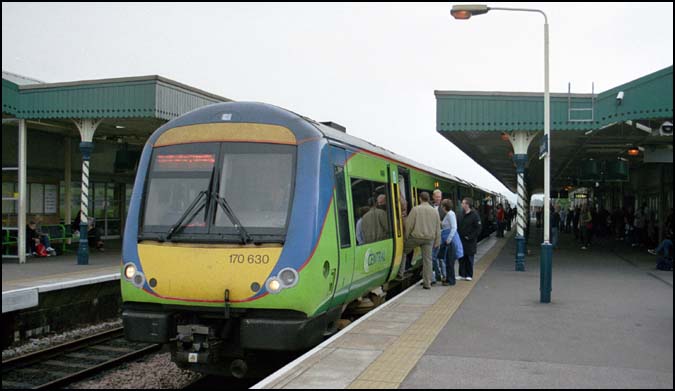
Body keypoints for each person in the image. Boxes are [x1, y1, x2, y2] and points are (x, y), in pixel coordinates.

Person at [401, 192, 440, 289]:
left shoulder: (415, 209)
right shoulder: (434, 211)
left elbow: (409, 225)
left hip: (416, 238)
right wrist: (437, 241)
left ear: (420, 199)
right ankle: (427, 283)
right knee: (428, 260)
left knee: (403, 251)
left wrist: (406, 237)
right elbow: (438, 227)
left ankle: (400, 272)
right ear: (428, 199)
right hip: (429, 239)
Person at [457, 197, 481, 281]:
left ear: (467, 205)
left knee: (469, 258)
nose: (462, 204)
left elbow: (478, 228)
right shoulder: (460, 214)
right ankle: (461, 274)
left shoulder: (475, 215)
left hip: (470, 241)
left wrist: (470, 236)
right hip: (461, 240)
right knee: (461, 257)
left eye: (463, 203)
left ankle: (469, 274)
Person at [439, 199, 458, 285]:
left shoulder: (450, 214)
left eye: (442, 206)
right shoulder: (448, 214)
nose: (441, 207)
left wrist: (449, 239)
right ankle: (449, 279)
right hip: (447, 240)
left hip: (450, 241)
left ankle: (451, 281)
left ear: (444, 207)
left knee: (450, 261)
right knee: (447, 260)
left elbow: (454, 227)